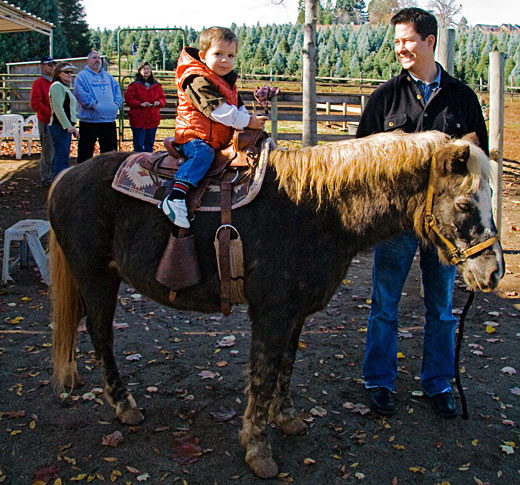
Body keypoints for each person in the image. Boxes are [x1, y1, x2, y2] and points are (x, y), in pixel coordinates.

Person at [356, 7, 488, 419]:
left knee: (441, 306)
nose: (400, 48)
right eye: (396, 42)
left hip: (445, 226)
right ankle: (379, 381)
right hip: (397, 222)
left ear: (429, 40)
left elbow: (478, 162)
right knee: (384, 304)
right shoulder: (384, 98)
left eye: (407, 40)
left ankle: (438, 383)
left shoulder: (462, 98)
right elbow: (363, 157)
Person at [160, 27, 268, 228]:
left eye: (230, 55)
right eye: (218, 54)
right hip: (193, 135)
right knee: (203, 155)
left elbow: (239, 108)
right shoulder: (196, 78)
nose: (225, 60)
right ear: (203, 56)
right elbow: (217, 111)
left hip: (216, 138)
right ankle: (176, 197)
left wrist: (252, 122)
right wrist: (247, 122)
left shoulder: (227, 82)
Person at [74, 51, 123, 163]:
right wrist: (94, 105)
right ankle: (83, 177)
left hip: (108, 121)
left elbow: (117, 91)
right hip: (89, 121)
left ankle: (108, 176)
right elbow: (80, 93)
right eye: (94, 58)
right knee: (85, 153)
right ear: (88, 61)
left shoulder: (108, 77)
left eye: (98, 58)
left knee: (110, 153)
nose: (97, 60)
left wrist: (116, 104)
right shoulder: (82, 77)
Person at [124, 61, 166, 152]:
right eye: (144, 69)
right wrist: (140, 104)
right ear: (140, 71)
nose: (146, 71)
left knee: (149, 144)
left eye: (148, 69)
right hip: (138, 119)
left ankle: (148, 163)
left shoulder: (157, 86)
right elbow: (128, 99)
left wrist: (159, 102)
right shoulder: (134, 85)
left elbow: (163, 98)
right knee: (138, 145)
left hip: (152, 118)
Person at [48, 62, 79, 177]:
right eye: (66, 72)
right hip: (59, 127)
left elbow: (66, 110)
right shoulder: (57, 86)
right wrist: (67, 126)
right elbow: (58, 108)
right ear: (59, 73)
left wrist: (72, 128)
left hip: (63, 127)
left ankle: (59, 182)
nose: (69, 74)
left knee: (63, 156)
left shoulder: (63, 87)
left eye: (71, 72)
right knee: (61, 157)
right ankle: (59, 183)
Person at [30, 56, 56, 186]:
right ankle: (47, 177)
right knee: (48, 150)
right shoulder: (38, 84)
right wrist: (50, 113)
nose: (52, 67)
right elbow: (35, 103)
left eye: (53, 65)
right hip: (47, 121)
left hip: (57, 121)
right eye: (49, 65)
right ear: (42, 66)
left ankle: (53, 174)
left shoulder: (55, 83)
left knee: (56, 149)